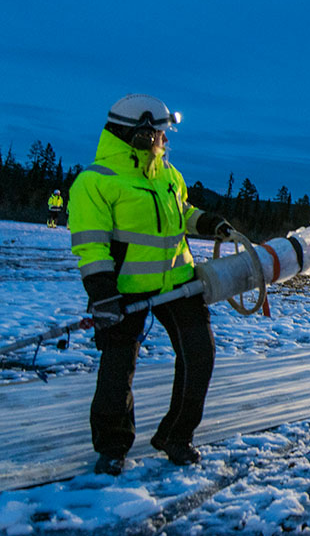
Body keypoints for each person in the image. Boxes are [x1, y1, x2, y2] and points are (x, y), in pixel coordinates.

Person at [68, 94, 234, 476]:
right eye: (160, 132)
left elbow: (182, 214)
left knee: (200, 355)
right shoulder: (96, 182)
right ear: (139, 133)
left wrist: (208, 223)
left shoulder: (169, 175)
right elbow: (91, 245)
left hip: (178, 283)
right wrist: (102, 294)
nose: (165, 139)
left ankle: (176, 436)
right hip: (124, 289)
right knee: (117, 367)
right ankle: (112, 444)